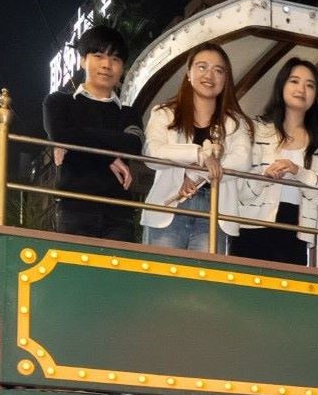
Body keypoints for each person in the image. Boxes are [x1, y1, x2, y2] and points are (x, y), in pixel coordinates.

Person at [140, 42, 252, 253]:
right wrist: (200, 155)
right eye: (202, 67)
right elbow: (153, 154)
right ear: (189, 74)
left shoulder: (235, 122)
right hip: (169, 209)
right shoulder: (164, 113)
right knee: (163, 281)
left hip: (215, 212)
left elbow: (243, 160)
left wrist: (194, 174)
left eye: (218, 70)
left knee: (205, 284)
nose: (209, 75)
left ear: (225, 79)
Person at [234, 57, 318, 265]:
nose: (301, 89)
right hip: (252, 224)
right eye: (294, 81)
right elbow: (239, 186)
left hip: (298, 227)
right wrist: (265, 176)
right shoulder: (255, 129)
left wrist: (299, 172)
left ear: (316, 95)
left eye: (310, 85)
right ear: (282, 85)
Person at [44, 25, 143, 241]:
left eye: (115, 59)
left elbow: (133, 145)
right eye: (98, 56)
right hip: (74, 210)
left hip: (120, 214)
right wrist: (109, 157)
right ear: (82, 60)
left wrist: (79, 144)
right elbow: (62, 136)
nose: (107, 65)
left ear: (122, 67)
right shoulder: (59, 102)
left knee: (118, 275)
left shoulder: (129, 113)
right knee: (73, 275)